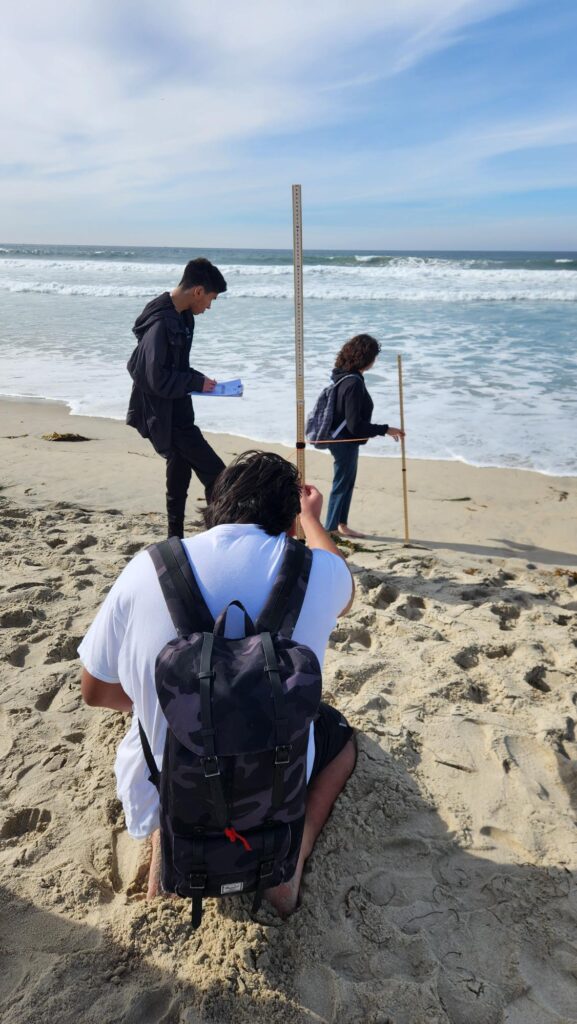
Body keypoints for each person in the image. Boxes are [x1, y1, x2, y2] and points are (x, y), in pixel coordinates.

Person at [78, 450, 356, 917]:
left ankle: (167, 856)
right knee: (340, 741)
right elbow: (346, 589)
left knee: (157, 734)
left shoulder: (150, 566)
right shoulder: (318, 571)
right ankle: (291, 861)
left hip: (170, 782)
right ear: (287, 522)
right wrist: (311, 520)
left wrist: (168, 705)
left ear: (214, 508)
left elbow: (95, 691)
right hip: (274, 792)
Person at [126, 257, 228, 539]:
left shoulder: (182, 317)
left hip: (178, 412)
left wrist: (201, 380)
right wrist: (194, 381)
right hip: (165, 416)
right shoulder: (160, 323)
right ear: (198, 291)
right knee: (219, 477)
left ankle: (175, 538)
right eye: (211, 299)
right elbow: (151, 376)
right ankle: (219, 537)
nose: (209, 306)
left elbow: (173, 367)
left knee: (179, 475)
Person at [324, 333, 404, 538]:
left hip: (343, 440)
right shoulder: (353, 383)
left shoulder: (344, 377)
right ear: (366, 357)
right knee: (342, 483)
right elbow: (354, 426)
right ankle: (331, 528)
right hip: (344, 441)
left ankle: (341, 524)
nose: (374, 361)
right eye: (374, 356)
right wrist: (385, 430)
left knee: (346, 482)